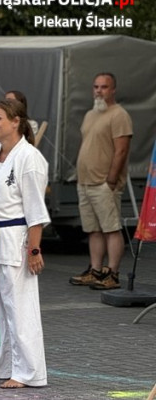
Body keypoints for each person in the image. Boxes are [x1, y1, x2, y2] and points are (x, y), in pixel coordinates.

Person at [0, 99, 49, 389]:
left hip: (16, 239)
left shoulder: (29, 158)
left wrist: (34, 249)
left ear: (15, 121)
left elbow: (35, 210)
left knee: (20, 308)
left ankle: (27, 371)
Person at [69, 72, 132, 291]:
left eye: (104, 87)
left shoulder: (119, 115)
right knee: (93, 229)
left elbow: (121, 150)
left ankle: (112, 273)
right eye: (95, 86)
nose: (98, 91)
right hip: (85, 182)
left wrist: (112, 181)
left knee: (111, 229)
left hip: (104, 184)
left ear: (113, 89)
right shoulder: (90, 114)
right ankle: (95, 270)